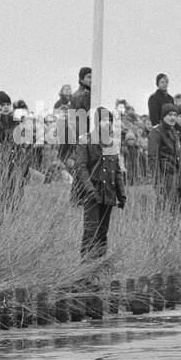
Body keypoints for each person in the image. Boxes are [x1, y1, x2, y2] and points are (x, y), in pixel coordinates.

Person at [69, 108, 125, 261]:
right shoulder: (85, 140)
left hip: (108, 191)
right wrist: (90, 190)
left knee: (102, 232)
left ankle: (99, 265)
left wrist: (121, 193)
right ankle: (85, 267)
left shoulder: (111, 143)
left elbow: (116, 170)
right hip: (91, 192)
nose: (107, 123)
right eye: (103, 120)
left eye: (109, 120)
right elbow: (81, 167)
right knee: (90, 230)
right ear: (96, 122)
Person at [150, 102, 181, 222]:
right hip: (166, 176)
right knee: (171, 210)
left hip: (179, 175)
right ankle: (171, 236)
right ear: (163, 116)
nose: (173, 117)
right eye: (169, 115)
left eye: (174, 114)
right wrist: (158, 181)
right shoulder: (156, 133)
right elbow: (153, 158)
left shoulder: (174, 132)